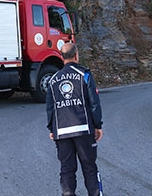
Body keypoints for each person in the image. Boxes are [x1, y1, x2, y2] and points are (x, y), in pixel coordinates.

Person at [46, 42, 103, 196]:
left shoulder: (52, 80)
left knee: (67, 168)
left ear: (61, 57)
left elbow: (50, 107)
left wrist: (52, 129)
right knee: (90, 167)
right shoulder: (84, 75)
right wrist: (98, 126)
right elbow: (94, 103)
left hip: (62, 131)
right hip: (83, 129)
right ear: (76, 55)